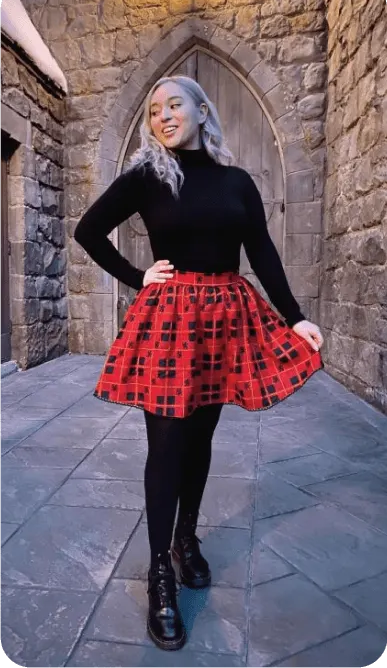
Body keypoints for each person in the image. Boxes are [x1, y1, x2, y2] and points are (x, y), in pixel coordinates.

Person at [74, 74, 324, 651]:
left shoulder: (237, 182)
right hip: (169, 322)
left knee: (202, 435)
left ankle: (188, 540)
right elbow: (89, 230)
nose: (163, 115)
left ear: (201, 110)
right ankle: (160, 571)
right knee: (166, 444)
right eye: (155, 108)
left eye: (174, 104)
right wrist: (140, 277)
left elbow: (260, 250)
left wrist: (295, 316)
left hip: (224, 319)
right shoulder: (146, 175)